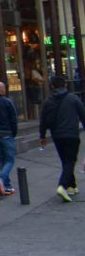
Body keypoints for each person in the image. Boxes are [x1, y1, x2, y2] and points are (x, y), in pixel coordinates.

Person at [39, 74, 85, 202]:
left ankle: (72, 186)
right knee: (70, 161)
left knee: (65, 160)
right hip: (72, 134)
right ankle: (62, 186)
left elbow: (43, 120)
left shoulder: (48, 101)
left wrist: (42, 136)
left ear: (52, 86)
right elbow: (83, 115)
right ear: (65, 85)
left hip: (57, 135)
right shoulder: (73, 98)